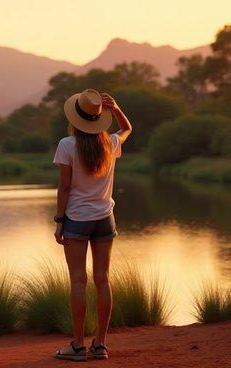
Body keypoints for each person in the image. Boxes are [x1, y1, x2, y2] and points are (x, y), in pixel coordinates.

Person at [52, 89, 132, 362]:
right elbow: (127, 128)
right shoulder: (110, 142)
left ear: (76, 117)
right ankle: (101, 344)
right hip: (104, 219)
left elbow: (64, 188)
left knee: (78, 279)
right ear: (99, 119)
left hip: (76, 218)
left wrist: (59, 220)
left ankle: (77, 346)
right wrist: (117, 108)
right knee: (103, 280)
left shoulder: (67, 145)